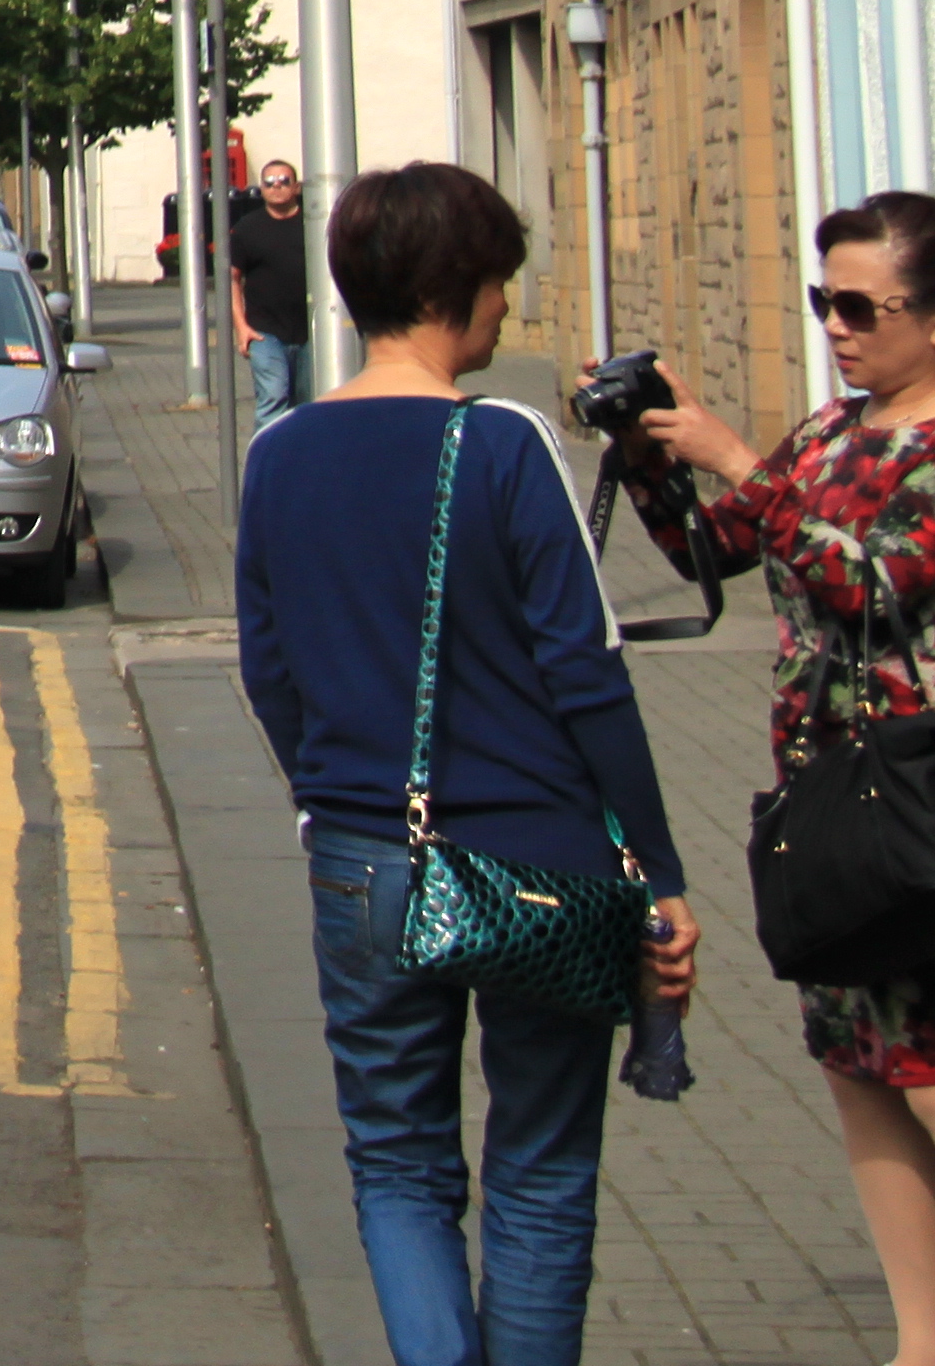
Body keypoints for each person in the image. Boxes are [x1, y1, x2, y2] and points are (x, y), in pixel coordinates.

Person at [239, 161, 697, 1366]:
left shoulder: (276, 454)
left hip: (358, 859)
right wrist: (658, 869)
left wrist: (333, 801)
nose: (508, 306)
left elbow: (268, 671)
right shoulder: (501, 443)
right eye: (500, 280)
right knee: (540, 1172)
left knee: (396, 1166)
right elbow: (587, 675)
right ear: (461, 287)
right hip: (539, 857)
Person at [604, 192, 935, 1365]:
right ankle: (918, 1340)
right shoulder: (833, 435)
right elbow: (721, 551)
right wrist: (652, 457)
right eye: (822, 303)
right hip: (832, 806)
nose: (837, 329)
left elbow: (877, 584)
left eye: (859, 307)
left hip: (924, 808)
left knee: (929, 1066)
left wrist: (741, 458)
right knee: (861, 1064)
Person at [233, 160, 316, 425]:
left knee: (307, 401)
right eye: (269, 182)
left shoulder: (312, 224)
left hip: (309, 330)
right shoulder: (248, 228)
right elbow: (232, 279)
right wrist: (241, 327)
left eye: (284, 181)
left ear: (296, 187)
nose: (276, 186)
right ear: (261, 188)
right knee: (274, 395)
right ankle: (266, 462)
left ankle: (300, 462)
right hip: (264, 331)